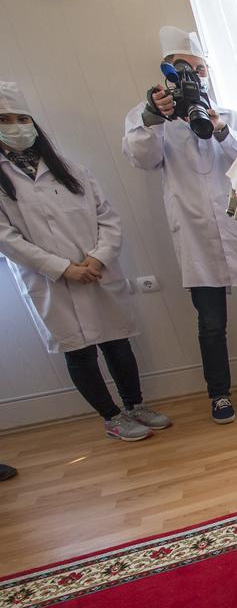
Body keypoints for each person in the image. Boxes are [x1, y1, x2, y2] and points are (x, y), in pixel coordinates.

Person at [123, 27, 237, 425]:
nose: (192, 75)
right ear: (168, 72)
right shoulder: (149, 119)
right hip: (196, 236)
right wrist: (154, 117)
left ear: (207, 73)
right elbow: (142, 158)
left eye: (198, 68)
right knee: (210, 324)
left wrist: (221, 129)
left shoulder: (235, 116)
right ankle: (219, 394)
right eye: (182, 67)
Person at [0, 81, 170, 442]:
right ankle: (111, 417)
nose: (15, 126)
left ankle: (134, 405)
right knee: (79, 353)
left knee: (117, 342)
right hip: (52, 281)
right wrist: (64, 269)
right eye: (5, 119)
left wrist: (97, 258)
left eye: (21, 117)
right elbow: (7, 239)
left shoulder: (71, 169)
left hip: (97, 271)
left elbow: (107, 217)